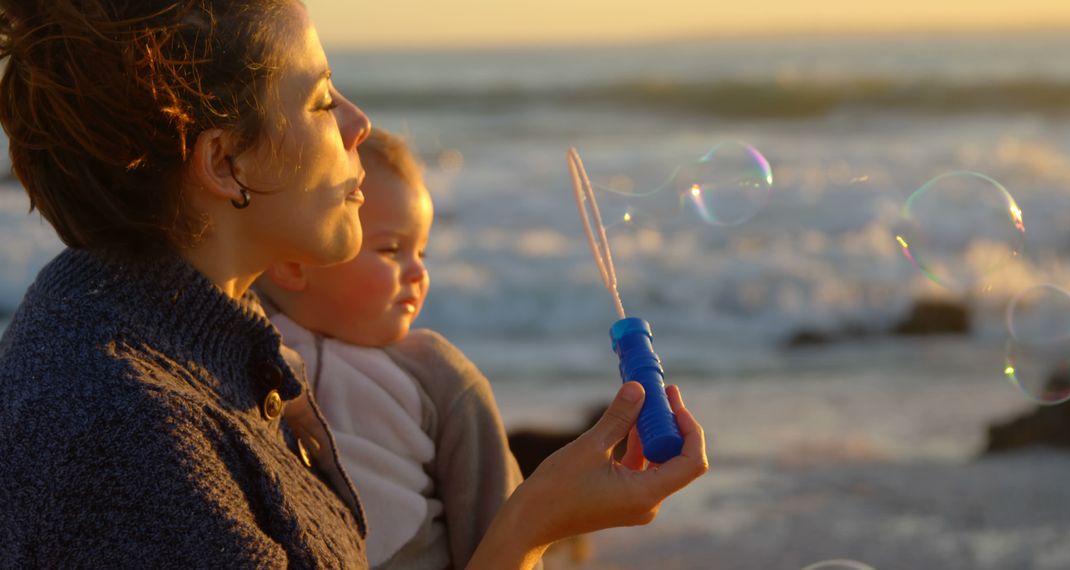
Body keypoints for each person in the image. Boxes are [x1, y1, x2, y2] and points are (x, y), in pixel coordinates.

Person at [0, 2, 709, 569]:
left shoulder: (197, 348)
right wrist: (529, 526)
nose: (358, 123)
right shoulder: (127, 430)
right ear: (225, 163)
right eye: (318, 101)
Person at [257, 128, 524, 569]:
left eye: (421, 251)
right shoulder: (245, 341)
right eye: (392, 249)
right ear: (293, 263)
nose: (418, 271)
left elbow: (498, 522)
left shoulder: (438, 373)